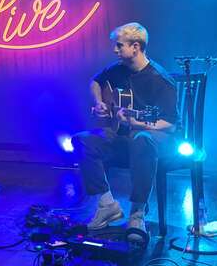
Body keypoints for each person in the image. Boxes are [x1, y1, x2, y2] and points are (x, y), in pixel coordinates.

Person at [73, 22, 177, 235]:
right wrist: (99, 102)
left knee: (142, 139)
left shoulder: (160, 79)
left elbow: (170, 124)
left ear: (135, 47)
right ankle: (107, 205)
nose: (115, 50)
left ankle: (137, 213)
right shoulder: (118, 69)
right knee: (82, 140)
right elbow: (95, 82)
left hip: (155, 141)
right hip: (123, 136)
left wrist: (137, 123)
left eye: (119, 45)